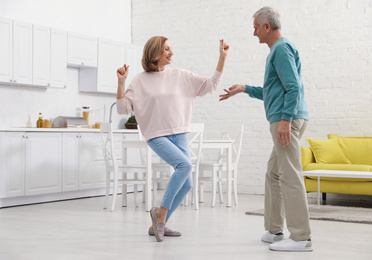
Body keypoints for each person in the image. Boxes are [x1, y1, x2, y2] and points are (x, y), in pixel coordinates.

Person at [116, 36, 229, 242]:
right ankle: (160, 215)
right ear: (155, 52)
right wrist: (121, 83)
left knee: (186, 185)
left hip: (180, 134)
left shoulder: (181, 75)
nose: (171, 53)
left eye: (171, 49)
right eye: (166, 49)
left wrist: (222, 57)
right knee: (184, 165)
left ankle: (159, 221)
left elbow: (211, 85)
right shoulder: (139, 81)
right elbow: (123, 109)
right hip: (156, 135)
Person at [219, 7, 312, 252]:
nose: (254, 33)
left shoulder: (281, 49)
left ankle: (301, 237)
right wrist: (244, 88)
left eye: (256, 28)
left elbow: (294, 88)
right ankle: (275, 229)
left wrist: (285, 121)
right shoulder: (277, 51)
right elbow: (273, 91)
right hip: (285, 117)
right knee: (274, 173)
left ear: (267, 27)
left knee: (289, 174)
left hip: (286, 120)